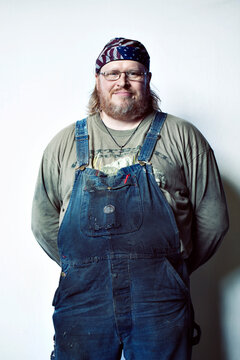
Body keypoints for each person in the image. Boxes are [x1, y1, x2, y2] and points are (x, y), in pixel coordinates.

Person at [31, 37, 229, 360]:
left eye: (133, 73)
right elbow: (42, 223)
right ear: (97, 81)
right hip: (84, 302)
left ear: (147, 79)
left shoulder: (183, 137)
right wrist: (84, 267)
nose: (122, 81)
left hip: (159, 303)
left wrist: (170, 269)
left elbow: (214, 220)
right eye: (112, 73)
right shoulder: (64, 143)